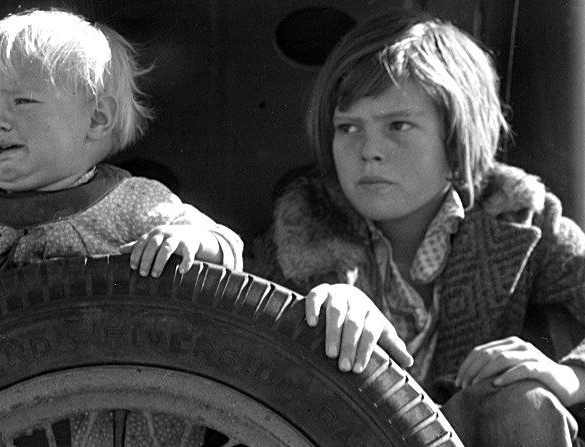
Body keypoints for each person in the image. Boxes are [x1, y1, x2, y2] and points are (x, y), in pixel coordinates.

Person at [250, 10, 585, 447]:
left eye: (398, 126)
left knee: (524, 402)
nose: (369, 150)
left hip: (472, 430)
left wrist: (572, 375)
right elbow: (243, 366)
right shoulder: (301, 230)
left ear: (456, 137)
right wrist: (318, 310)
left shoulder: (518, 216)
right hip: (351, 438)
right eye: (348, 127)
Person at [0, 8, 243, 318]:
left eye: (22, 101)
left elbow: (228, 250)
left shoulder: (131, 201)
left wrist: (188, 241)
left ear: (97, 119)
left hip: (106, 358)